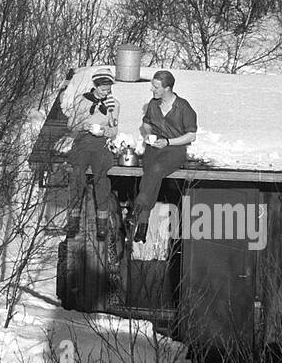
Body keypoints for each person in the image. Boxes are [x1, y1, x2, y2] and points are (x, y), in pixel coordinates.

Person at [129, 70, 198, 243]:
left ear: (167, 88)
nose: (152, 89)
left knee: (155, 170)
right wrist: (149, 134)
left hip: (174, 149)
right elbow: (146, 124)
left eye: (156, 86)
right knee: (150, 178)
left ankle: (137, 210)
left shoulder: (183, 107)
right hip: (154, 148)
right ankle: (142, 227)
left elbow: (191, 136)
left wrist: (167, 142)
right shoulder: (154, 104)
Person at [64, 65, 120, 242]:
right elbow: (71, 126)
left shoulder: (113, 105)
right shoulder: (82, 101)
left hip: (100, 144)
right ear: (95, 86)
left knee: (101, 177)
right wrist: (84, 126)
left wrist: (104, 131)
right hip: (82, 141)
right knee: (77, 174)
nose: (106, 92)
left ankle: (102, 224)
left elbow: (114, 131)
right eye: (103, 89)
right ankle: (73, 221)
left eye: (108, 89)